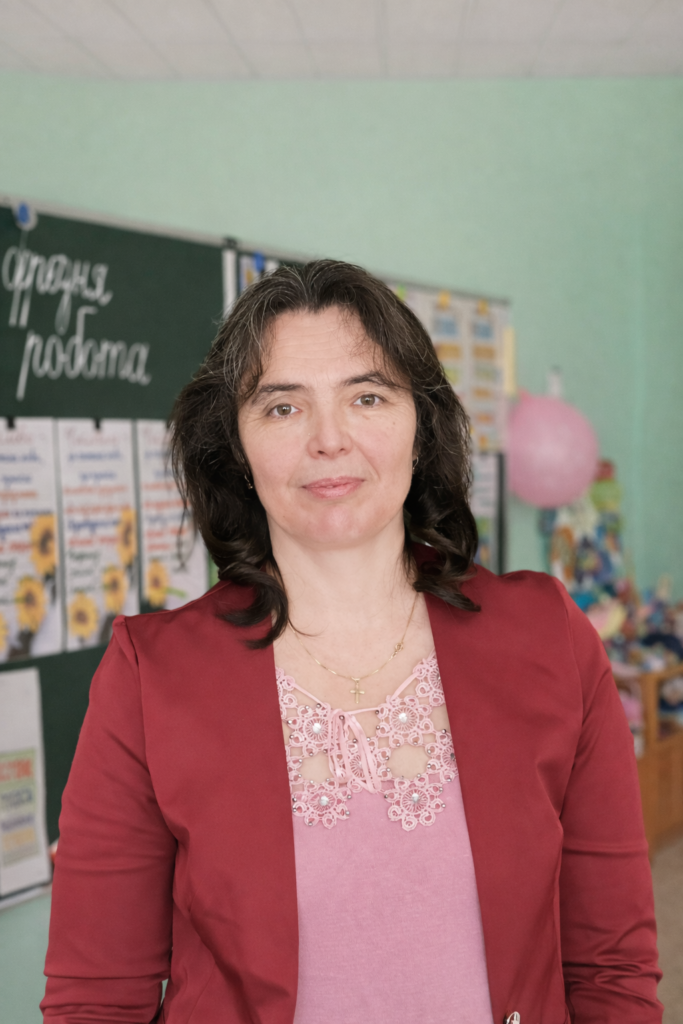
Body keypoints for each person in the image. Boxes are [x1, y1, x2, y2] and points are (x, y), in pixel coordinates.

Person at [42, 260, 662, 1024]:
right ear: (235, 447)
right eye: (282, 408)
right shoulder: (151, 675)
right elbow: (96, 1000)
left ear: (419, 426)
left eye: (366, 397)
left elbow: (611, 970)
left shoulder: (548, 637)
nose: (328, 440)